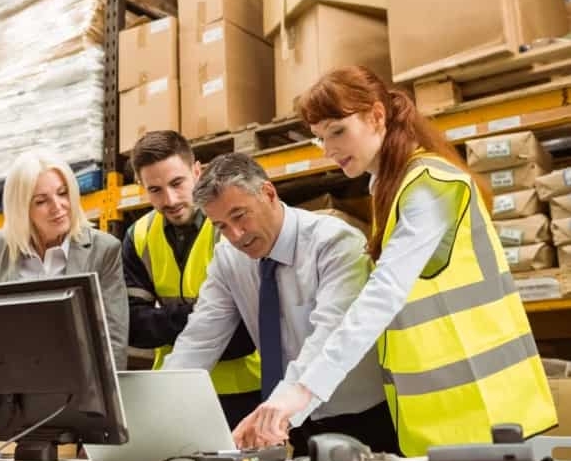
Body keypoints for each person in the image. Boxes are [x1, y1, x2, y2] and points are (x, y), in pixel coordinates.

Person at [248, 65, 556, 456]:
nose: (329, 149)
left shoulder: (429, 187)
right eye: (320, 138)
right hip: (443, 415)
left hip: (487, 410)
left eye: (338, 131)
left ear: (377, 116)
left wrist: (303, 393)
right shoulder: (390, 188)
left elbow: (383, 296)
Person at [162, 152, 399, 456]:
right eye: (221, 226)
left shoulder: (335, 243)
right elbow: (200, 337)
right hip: (289, 419)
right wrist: (161, 407)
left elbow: (329, 338)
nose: (235, 236)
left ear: (269, 193)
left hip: (358, 414)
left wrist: (278, 409)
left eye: (239, 216)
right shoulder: (229, 258)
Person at [122, 131, 262, 428]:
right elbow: (133, 327)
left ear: (197, 171)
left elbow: (243, 334)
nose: (169, 199)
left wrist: (163, 322)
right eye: (155, 190)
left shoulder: (230, 227)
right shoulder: (139, 237)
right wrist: (210, 317)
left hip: (245, 390)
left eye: (177, 183)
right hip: (177, 388)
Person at [0, 150, 129, 370]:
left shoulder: (104, 250)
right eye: (41, 201)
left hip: (79, 384)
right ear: (22, 209)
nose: (58, 207)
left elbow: (113, 340)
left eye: (62, 193)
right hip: (13, 383)